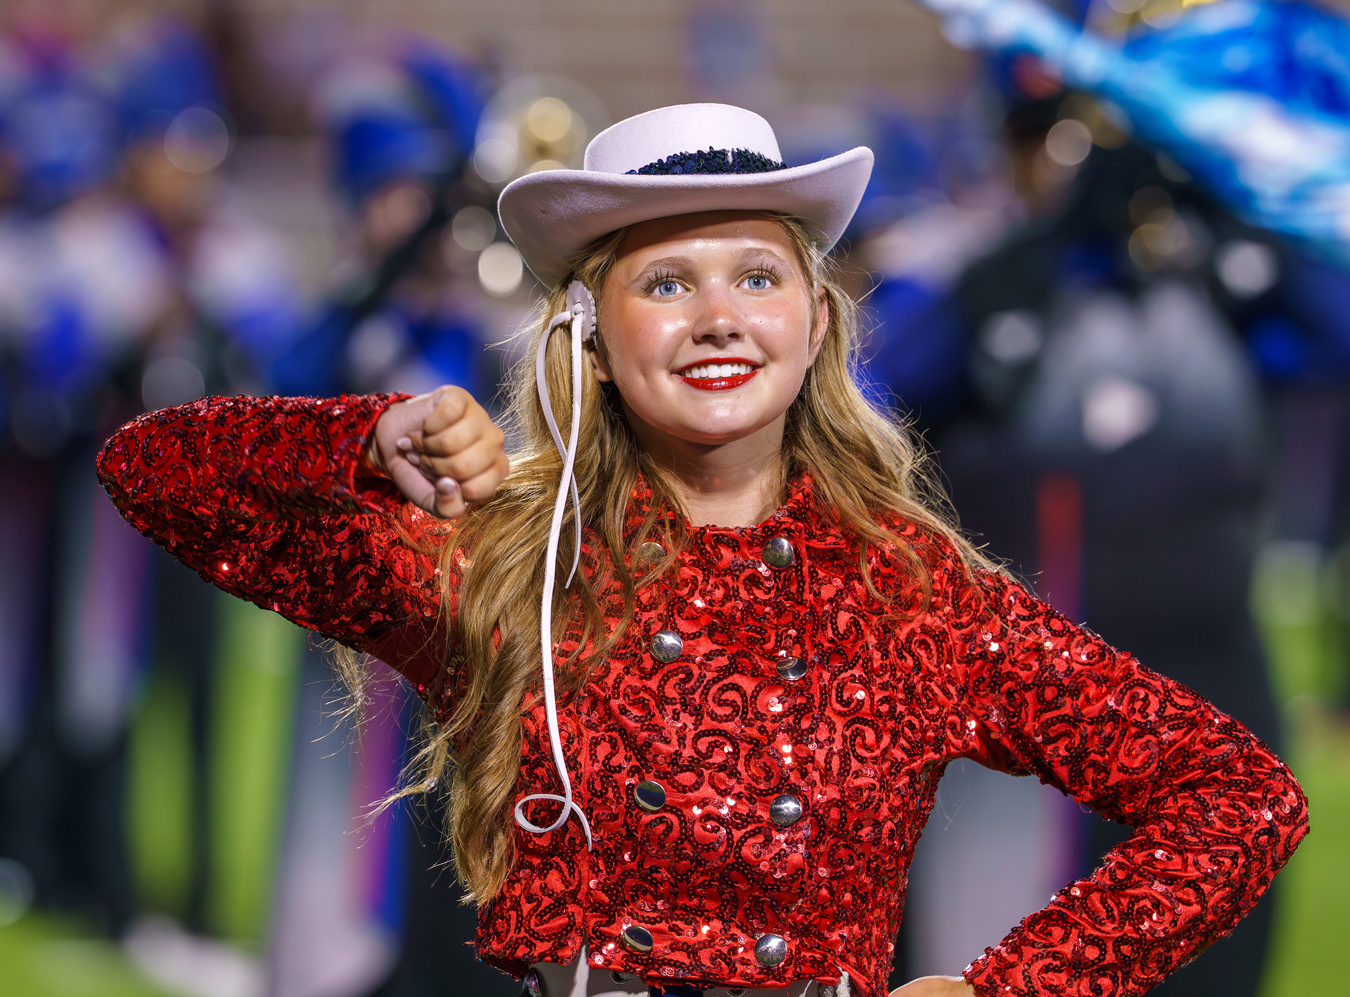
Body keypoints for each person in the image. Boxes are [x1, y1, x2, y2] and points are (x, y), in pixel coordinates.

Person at [94, 103, 1309, 997]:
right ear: (592, 337)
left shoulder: (909, 589)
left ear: (814, 322)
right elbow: (149, 471)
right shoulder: (506, 556)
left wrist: (1014, 986)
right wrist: (366, 438)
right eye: (667, 283)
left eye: (756, 276)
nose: (720, 317)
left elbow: (1240, 797)